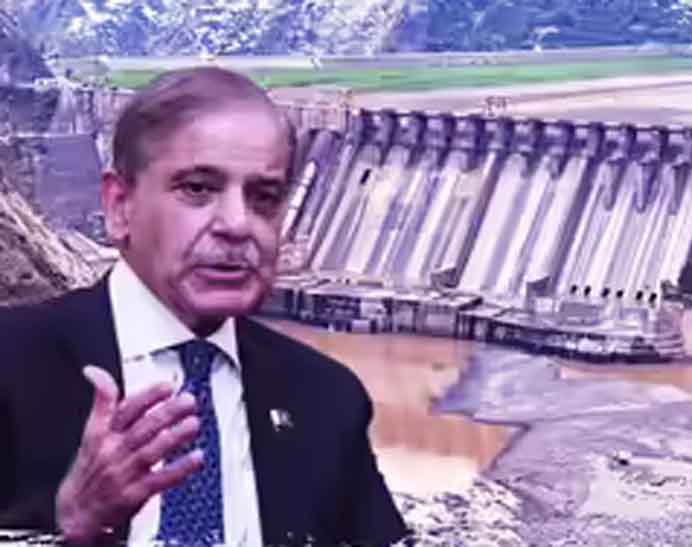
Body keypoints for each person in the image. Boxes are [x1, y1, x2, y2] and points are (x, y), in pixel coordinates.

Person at [0, 67, 407, 545]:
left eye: (264, 197)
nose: (237, 224)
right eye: (197, 189)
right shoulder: (13, 364)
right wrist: (74, 527)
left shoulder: (326, 397)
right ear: (120, 206)